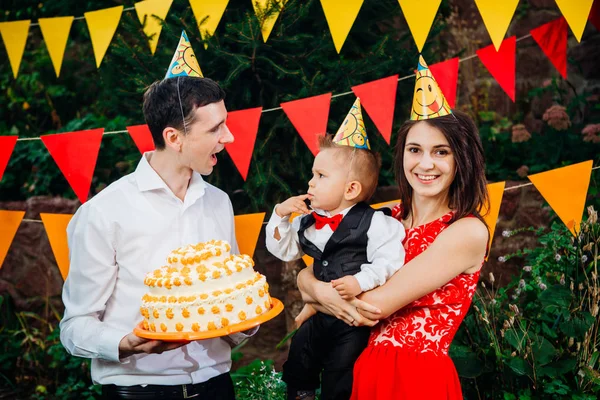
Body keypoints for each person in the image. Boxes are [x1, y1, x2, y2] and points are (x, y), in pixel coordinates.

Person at [60, 32, 254, 400]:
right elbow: (74, 328)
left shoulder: (219, 202)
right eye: (215, 128)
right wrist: (126, 342)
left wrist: (246, 319)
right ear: (173, 137)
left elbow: (227, 302)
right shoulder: (103, 212)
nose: (228, 137)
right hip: (140, 391)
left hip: (217, 388)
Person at [295, 57, 490, 399]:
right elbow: (320, 269)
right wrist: (304, 279)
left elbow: (373, 307)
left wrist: (312, 290)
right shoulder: (383, 217)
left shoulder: (465, 231)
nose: (425, 164)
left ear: (461, 160)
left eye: (441, 152)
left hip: (414, 378)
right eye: (415, 150)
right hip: (358, 368)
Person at [266, 99, 406, 400]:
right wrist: (280, 215)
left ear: (351, 189)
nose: (310, 182)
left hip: (351, 322)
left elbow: (390, 260)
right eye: (313, 174)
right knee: (301, 351)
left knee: (342, 372)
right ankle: (300, 393)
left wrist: (361, 281)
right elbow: (285, 250)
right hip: (320, 312)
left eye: (320, 176)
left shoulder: (375, 223)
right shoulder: (307, 222)